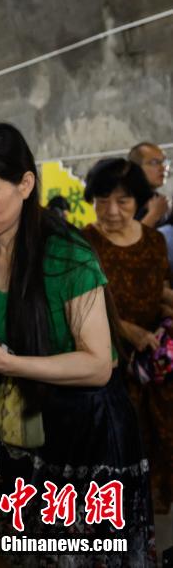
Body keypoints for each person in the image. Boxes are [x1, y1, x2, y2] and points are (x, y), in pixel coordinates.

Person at [0, 123, 154, 567]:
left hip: (87, 432)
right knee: (15, 549)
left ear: (25, 184)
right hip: (22, 426)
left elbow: (99, 364)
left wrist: (10, 363)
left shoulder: (67, 256)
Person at [81, 157, 173, 525]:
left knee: (158, 444)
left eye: (123, 201)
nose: (112, 211)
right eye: (102, 200)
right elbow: (78, 305)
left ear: (140, 201)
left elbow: (159, 291)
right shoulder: (84, 242)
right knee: (114, 451)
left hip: (153, 364)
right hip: (107, 364)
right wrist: (124, 328)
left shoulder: (153, 242)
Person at [129, 142, 170, 227]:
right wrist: (153, 215)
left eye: (164, 162)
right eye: (154, 162)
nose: (163, 167)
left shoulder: (158, 199)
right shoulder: (122, 200)